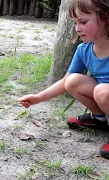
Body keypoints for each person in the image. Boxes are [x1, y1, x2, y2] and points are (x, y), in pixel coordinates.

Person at [18, 0, 109, 159]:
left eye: (83, 21)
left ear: (106, 17)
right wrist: (38, 97)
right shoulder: (83, 49)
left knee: (102, 91)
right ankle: (100, 119)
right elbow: (65, 82)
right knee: (72, 81)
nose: (78, 28)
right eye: (75, 23)